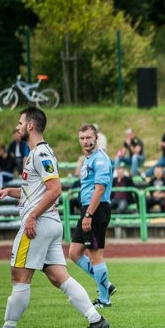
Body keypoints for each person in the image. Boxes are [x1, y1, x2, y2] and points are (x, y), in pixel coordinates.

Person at [0, 107, 109, 328]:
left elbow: (55, 190)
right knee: (59, 277)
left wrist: (32, 216)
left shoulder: (40, 153)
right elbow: (35, 191)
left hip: (39, 225)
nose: (17, 126)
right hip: (50, 224)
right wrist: (11, 192)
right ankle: (96, 320)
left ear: (31, 126)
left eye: (20, 122)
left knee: (19, 275)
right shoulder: (37, 153)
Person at [68, 124, 116, 309]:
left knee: (95, 255)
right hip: (88, 210)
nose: (86, 141)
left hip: (95, 210)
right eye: (82, 138)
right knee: (74, 253)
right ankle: (106, 284)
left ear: (96, 138)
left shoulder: (100, 159)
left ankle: (104, 299)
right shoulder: (89, 159)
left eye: (89, 137)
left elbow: (100, 189)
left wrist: (89, 214)